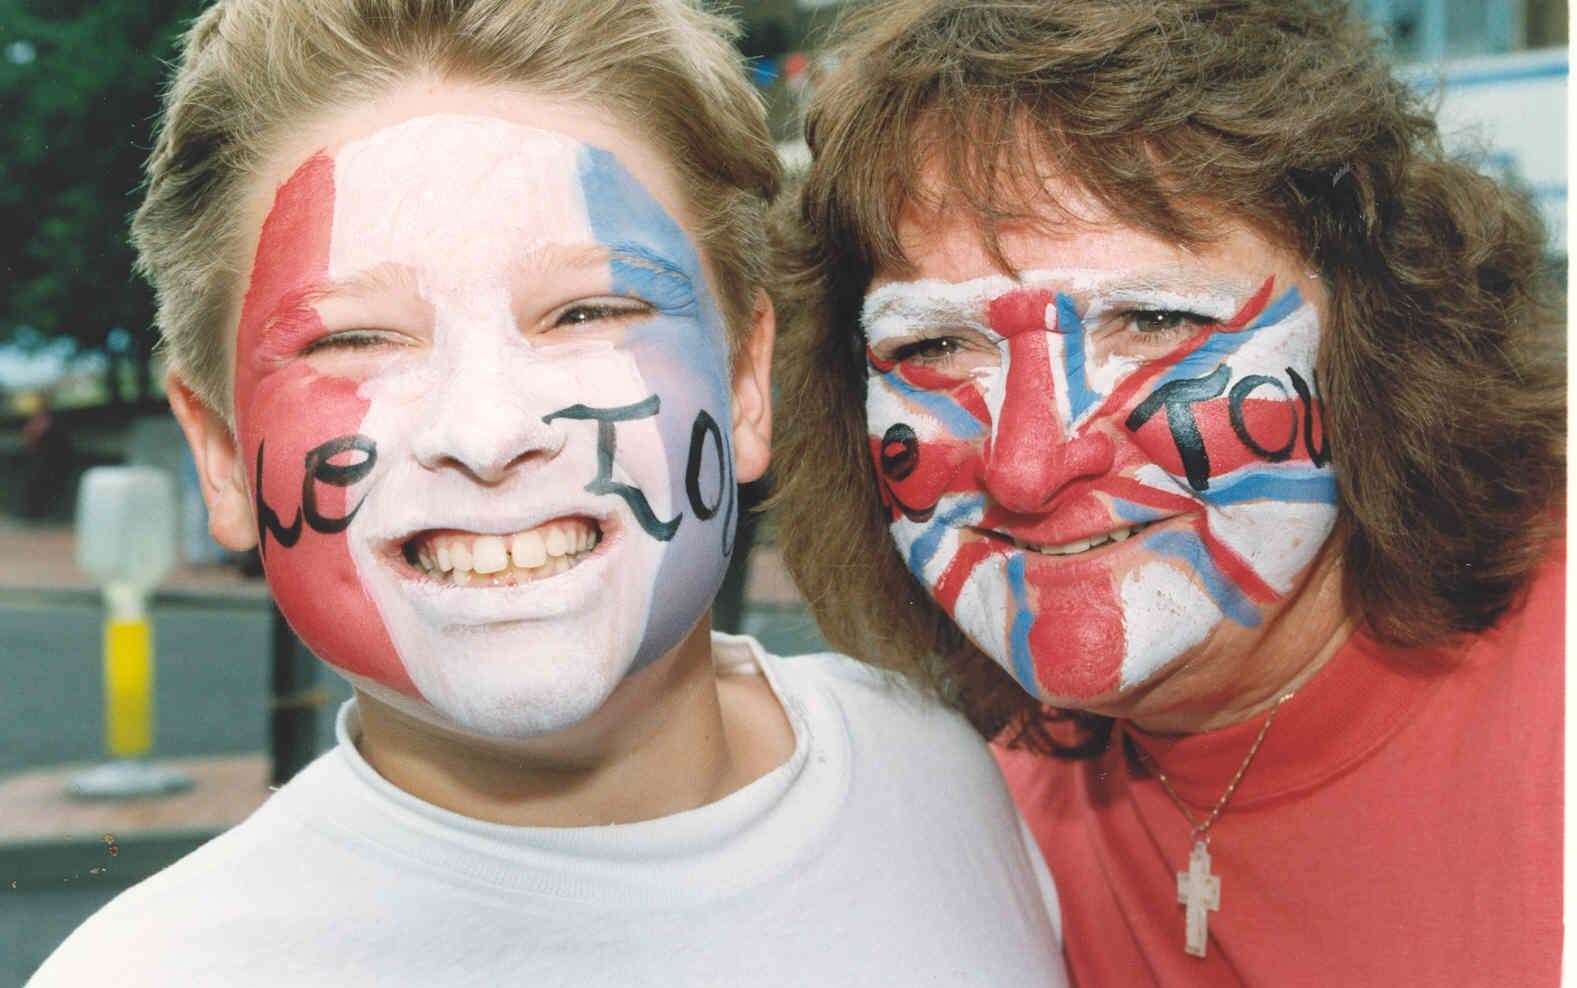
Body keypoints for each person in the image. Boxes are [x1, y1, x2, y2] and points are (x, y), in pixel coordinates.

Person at [31, 2, 1067, 984]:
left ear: (747, 381)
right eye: (354, 339)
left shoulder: (971, 773)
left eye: (586, 311)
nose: (486, 432)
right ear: (219, 453)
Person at [769, 0, 1563, 983]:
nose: (1024, 465)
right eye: (934, 344)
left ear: (1380, 336)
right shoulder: (971, 821)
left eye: (1150, 320)